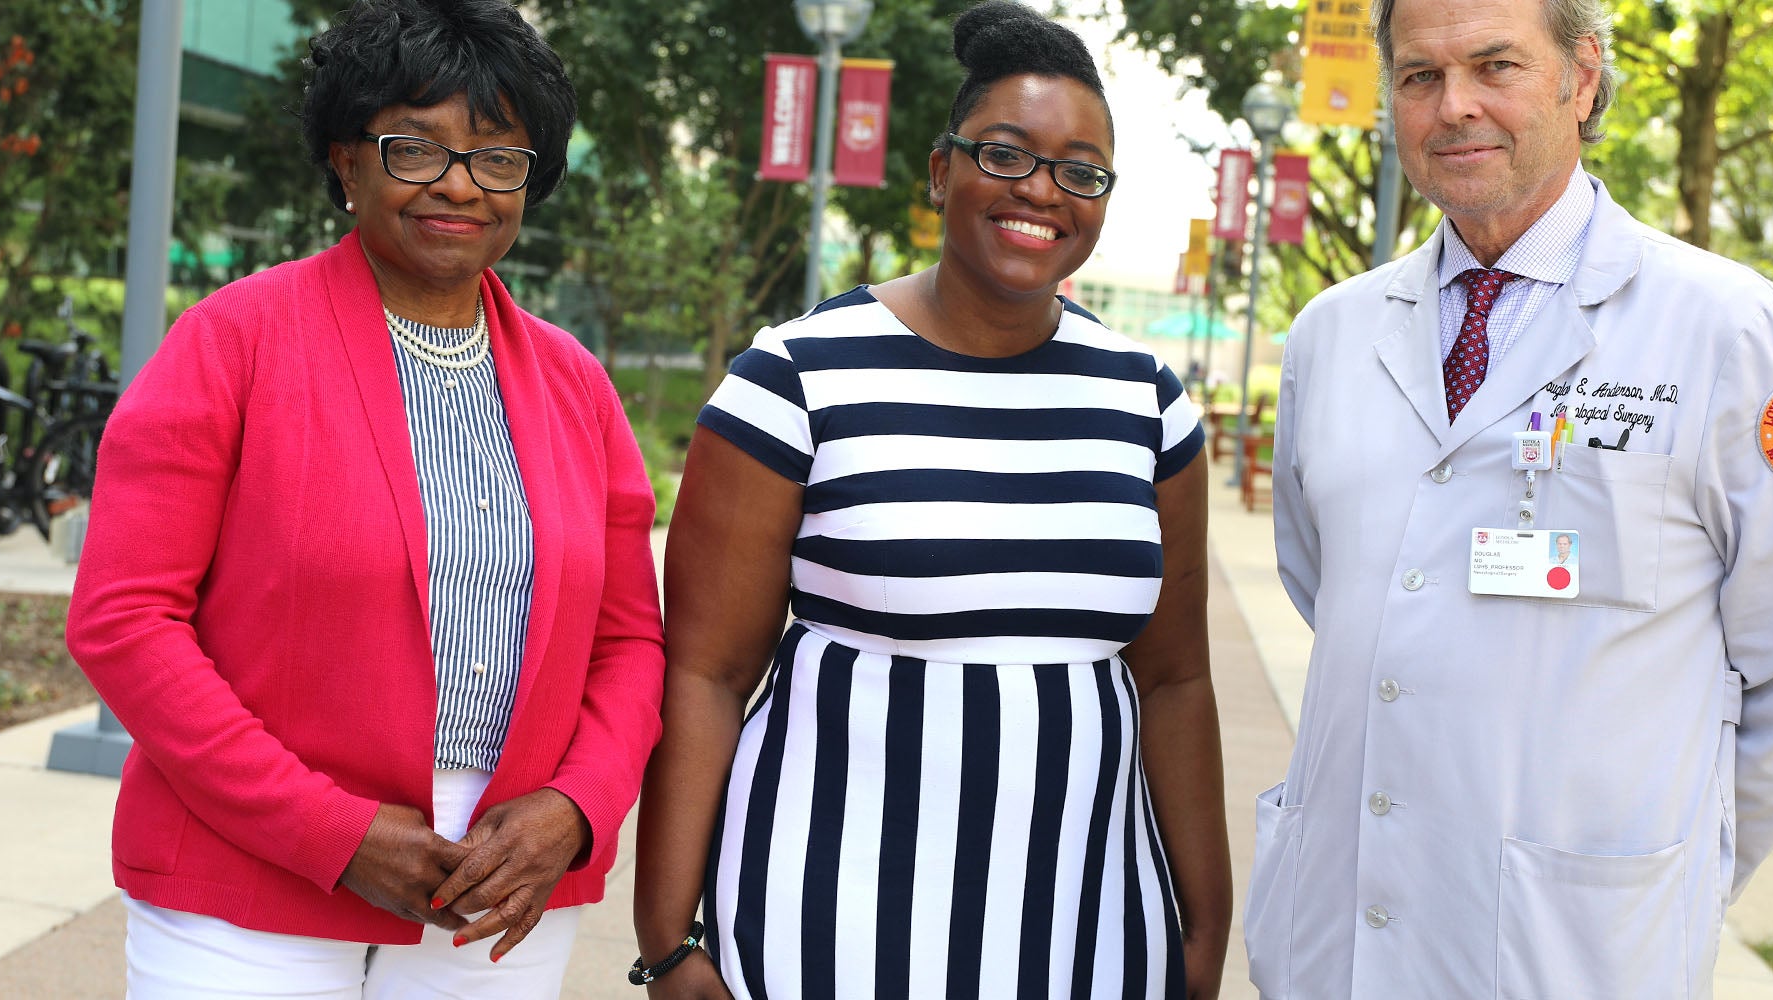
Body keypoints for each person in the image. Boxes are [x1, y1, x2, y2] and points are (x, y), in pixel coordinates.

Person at [1246, 0, 1773, 994]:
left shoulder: (1728, 331)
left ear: (1581, 76)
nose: (1453, 105)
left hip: (1577, 949)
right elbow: (1329, 584)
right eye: (1419, 76)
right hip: (1336, 930)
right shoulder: (1329, 334)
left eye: (1494, 65)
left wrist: (1683, 856)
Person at [630, 3, 1233, 998]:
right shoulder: (796, 379)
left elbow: (1174, 679)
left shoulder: (1144, 400)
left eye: (1079, 170)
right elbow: (702, 671)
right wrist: (668, 938)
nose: (1041, 190)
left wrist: (1202, 926)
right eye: (1006, 155)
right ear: (939, 167)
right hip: (818, 916)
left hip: (1080, 920)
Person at [65, 2, 665, 995]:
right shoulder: (231, 344)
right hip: (246, 882)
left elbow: (629, 642)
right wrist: (327, 829)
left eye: (496, 157)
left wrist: (574, 807)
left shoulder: (577, 387)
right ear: (347, 162)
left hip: (495, 892)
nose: (458, 186)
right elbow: (126, 618)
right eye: (414, 149)